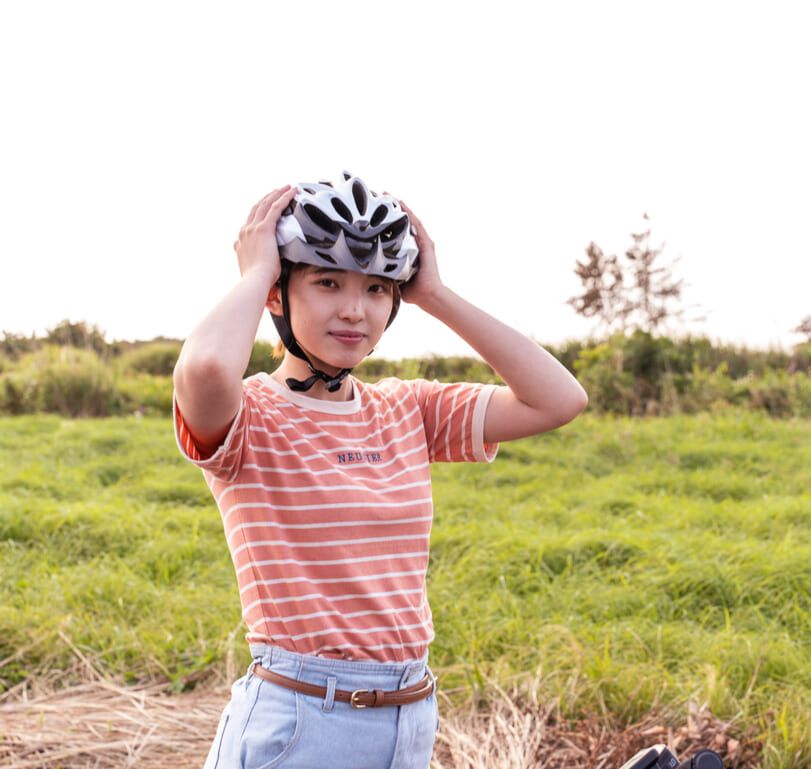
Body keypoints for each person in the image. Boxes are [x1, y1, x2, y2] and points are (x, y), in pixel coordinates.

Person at [172, 172, 588, 769]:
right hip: (299, 720)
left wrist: (436, 294)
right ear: (277, 296)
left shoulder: (407, 408)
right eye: (326, 282)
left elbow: (559, 399)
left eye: (376, 289)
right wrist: (257, 271)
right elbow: (208, 367)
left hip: (409, 719)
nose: (354, 310)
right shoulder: (249, 417)